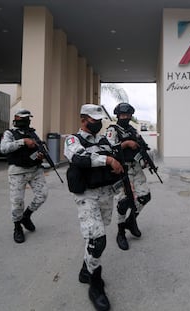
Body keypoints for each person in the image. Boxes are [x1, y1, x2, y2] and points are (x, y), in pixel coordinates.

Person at [64, 104, 124, 311]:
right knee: (98, 240)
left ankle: (84, 269)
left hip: (106, 193)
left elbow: (119, 157)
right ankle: (95, 283)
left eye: (99, 120)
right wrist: (107, 159)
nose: (97, 123)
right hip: (87, 195)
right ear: (83, 119)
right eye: (93, 120)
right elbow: (80, 158)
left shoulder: (104, 140)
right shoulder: (73, 140)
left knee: (96, 234)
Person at [105, 103, 152, 251]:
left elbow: (141, 146)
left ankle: (131, 221)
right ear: (118, 115)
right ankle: (120, 233)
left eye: (128, 115)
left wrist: (146, 159)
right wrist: (125, 144)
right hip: (121, 168)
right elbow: (108, 148)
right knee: (123, 202)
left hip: (136, 167)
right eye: (122, 115)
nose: (125, 117)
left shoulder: (132, 130)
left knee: (145, 196)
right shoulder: (112, 130)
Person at [0, 109, 48, 244]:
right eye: (24, 119)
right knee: (17, 202)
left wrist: (40, 154)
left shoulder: (32, 133)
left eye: (28, 119)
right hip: (17, 171)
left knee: (42, 195)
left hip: (35, 170)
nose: (26, 122)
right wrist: (23, 142)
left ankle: (26, 216)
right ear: (16, 119)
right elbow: (4, 149)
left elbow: (40, 147)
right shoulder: (9, 133)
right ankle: (17, 227)